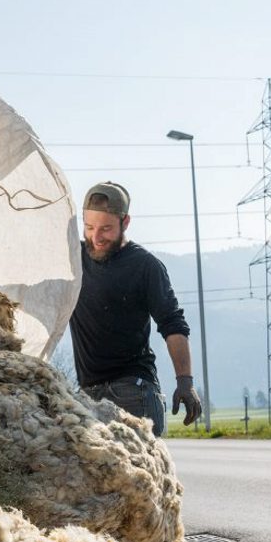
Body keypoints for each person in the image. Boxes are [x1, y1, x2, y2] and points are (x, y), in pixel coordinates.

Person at [69, 181, 202, 436]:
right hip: (87, 395)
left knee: (141, 474)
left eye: (106, 229)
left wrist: (185, 381)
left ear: (125, 222)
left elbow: (173, 324)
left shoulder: (145, 266)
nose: (96, 237)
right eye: (89, 227)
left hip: (133, 391)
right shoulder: (73, 258)